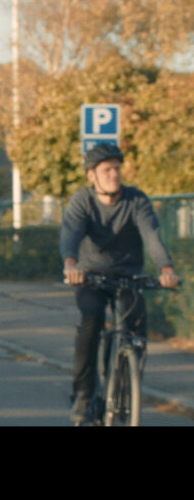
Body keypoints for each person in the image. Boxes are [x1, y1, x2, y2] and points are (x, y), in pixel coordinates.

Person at [60, 142, 179, 424]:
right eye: (107, 170)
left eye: (117, 168)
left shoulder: (136, 200)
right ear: (92, 175)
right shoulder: (83, 201)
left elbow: (151, 235)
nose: (114, 174)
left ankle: (127, 389)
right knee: (91, 320)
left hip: (128, 277)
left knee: (136, 326)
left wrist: (166, 269)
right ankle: (84, 394)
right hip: (91, 277)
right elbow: (71, 234)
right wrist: (71, 265)